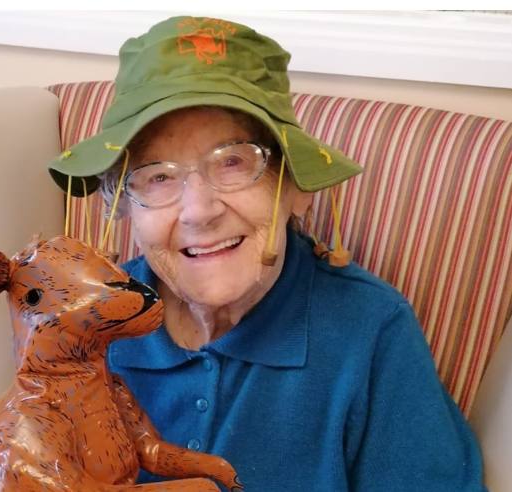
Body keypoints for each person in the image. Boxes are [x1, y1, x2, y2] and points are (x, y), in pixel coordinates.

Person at [46, 15, 488, 492]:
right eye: (157, 176)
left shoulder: (370, 330)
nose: (198, 211)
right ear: (124, 207)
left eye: (234, 161)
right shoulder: (89, 326)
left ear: (297, 187)